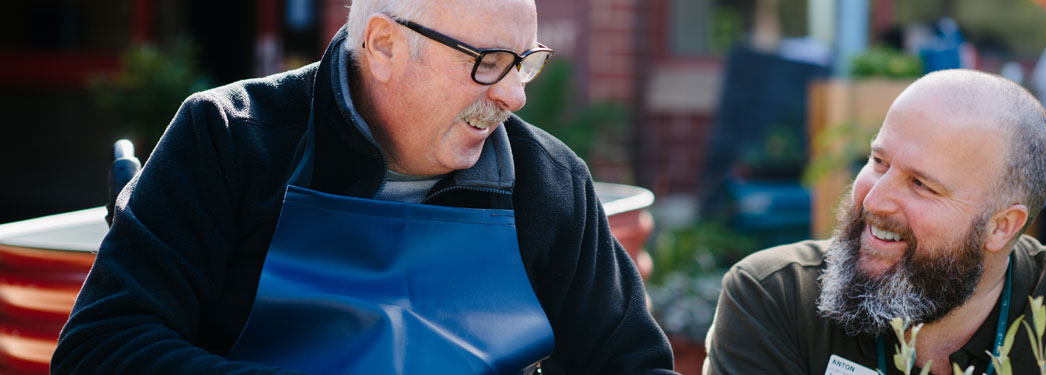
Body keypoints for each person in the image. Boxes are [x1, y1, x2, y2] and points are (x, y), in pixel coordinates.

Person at [51, 0, 676, 374]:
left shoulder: (549, 182)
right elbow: (100, 348)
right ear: (383, 45)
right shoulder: (230, 139)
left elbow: (634, 366)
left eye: (524, 63)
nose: (514, 95)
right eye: (487, 63)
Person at [703, 69, 1046, 375]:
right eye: (878, 161)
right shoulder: (775, 296)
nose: (875, 200)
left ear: (1001, 227)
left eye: (921, 185)